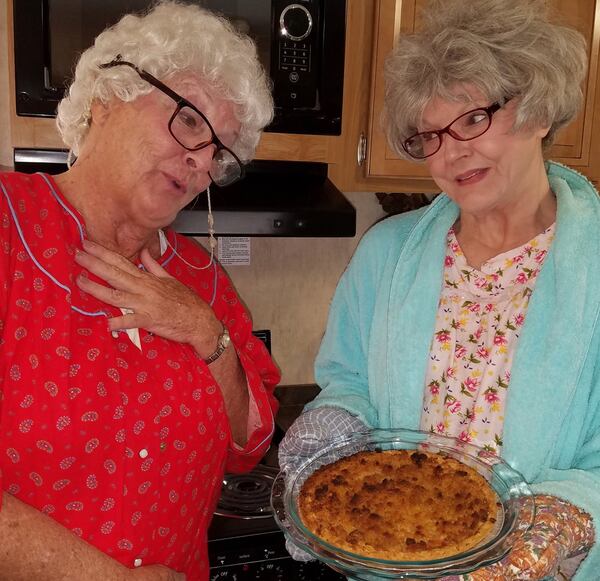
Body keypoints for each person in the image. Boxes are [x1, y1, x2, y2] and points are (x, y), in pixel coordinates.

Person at [280, 0, 599, 578]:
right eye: (429, 135)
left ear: (539, 111)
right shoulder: (387, 253)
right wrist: (336, 422)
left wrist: (553, 530)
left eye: (473, 119)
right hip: (391, 555)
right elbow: (350, 379)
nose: (451, 152)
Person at [0, 2, 280, 580]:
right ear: (106, 98)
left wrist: (207, 332)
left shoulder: (203, 279)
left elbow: (246, 446)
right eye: (189, 119)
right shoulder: (7, 228)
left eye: (218, 150)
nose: (201, 159)